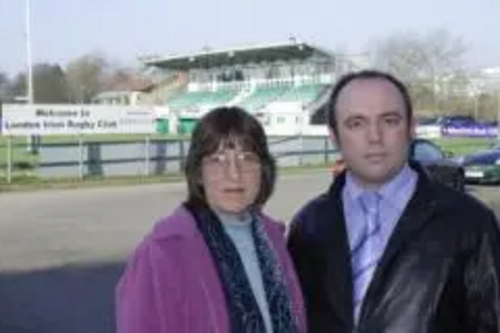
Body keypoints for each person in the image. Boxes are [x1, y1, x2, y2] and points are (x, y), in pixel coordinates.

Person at [287, 69, 500, 332]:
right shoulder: (307, 226)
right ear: (333, 136)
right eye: (356, 123)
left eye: (389, 120)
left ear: (411, 128)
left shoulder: (469, 221)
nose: (374, 137)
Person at [116, 106, 306, 333]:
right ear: (198, 173)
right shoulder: (162, 252)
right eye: (217, 160)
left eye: (247, 158)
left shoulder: (273, 239)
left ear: (263, 170)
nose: (234, 174)